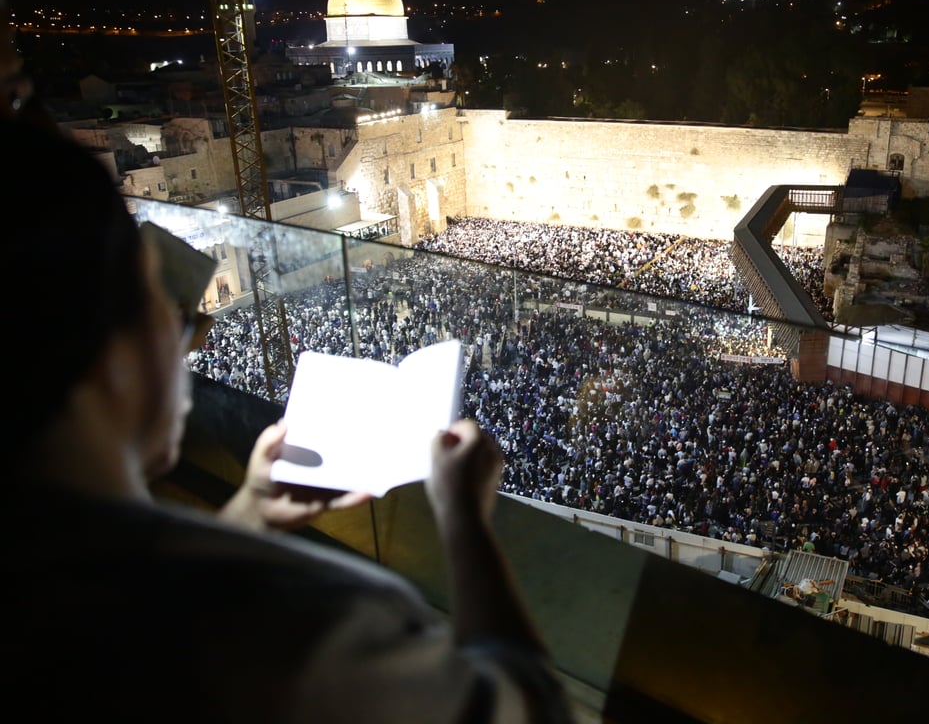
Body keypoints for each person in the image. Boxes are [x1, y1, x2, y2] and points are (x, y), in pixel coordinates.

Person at [1, 116, 575, 723]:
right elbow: (530, 710)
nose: (195, 342)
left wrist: (246, 514)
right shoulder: (315, 624)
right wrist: (464, 519)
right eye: (177, 319)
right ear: (110, 355)